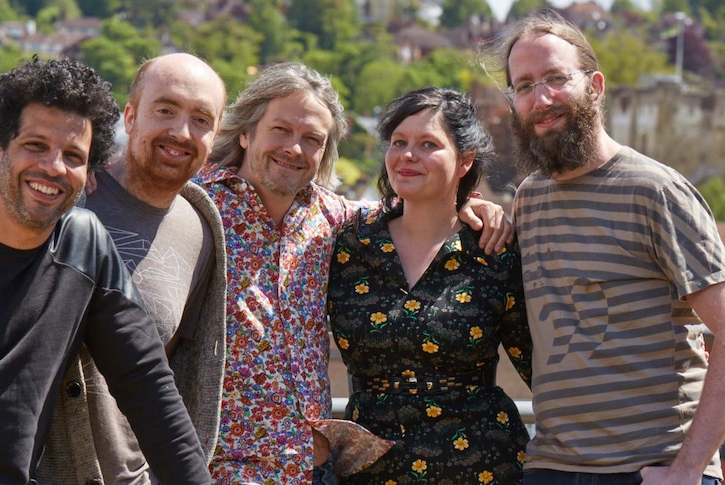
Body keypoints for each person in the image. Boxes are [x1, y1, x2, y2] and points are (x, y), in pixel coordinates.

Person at [0, 53, 227, 485]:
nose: (54, 167)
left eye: (73, 155)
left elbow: (146, 383)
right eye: (36, 146)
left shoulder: (84, 245)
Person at [196, 62, 514, 484]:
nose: (294, 148)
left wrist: (472, 204)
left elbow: (419, 205)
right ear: (244, 132)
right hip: (215, 468)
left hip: (311, 470)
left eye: (312, 139)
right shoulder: (196, 208)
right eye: (280, 130)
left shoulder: (333, 220)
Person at [479, 9, 725, 485]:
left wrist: (689, 468)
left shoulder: (655, 191)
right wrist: (478, 209)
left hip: (652, 468)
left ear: (595, 85)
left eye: (555, 78)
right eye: (524, 85)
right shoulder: (530, 198)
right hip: (552, 466)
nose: (541, 98)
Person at [326, 87, 532, 484]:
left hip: (479, 465)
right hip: (368, 469)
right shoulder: (349, 242)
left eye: (428, 144)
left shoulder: (494, 249)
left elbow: (538, 367)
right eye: (399, 142)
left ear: (464, 161)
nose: (407, 154)